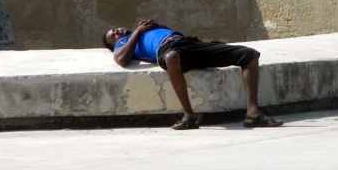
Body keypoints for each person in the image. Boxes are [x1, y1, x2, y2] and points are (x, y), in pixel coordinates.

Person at [103, 19, 284, 131]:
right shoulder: (126, 42)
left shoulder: (146, 29)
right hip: (170, 50)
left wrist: (155, 26)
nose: (117, 31)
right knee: (172, 56)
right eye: (113, 35)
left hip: (189, 44)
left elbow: (170, 33)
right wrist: (137, 32)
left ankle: (253, 114)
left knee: (250, 54)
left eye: (116, 28)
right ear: (114, 43)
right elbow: (120, 59)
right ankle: (189, 116)